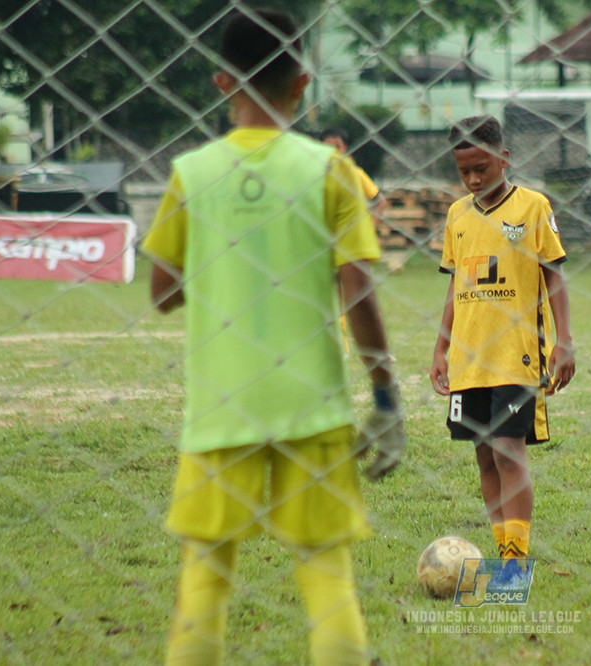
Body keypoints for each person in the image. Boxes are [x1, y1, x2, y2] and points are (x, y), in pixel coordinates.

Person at [142, 9, 404, 665]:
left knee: (204, 572)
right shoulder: (329, 170)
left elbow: (163, 292)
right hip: (309, 404)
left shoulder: (192, 173)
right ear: (303, 84)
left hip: (221, 404)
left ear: (221, 82)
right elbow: (360, 291)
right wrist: (386, 396)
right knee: (325, 571)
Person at [429, 115, 575, 582]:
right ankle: (501, 553)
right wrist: (440, 347)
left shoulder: (532, 208)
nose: (473, 179)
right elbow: (455, 288)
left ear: (504, 159)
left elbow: (554, 275)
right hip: (468, 358)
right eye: (464, 171)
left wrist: (564, 340)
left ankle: (515, 564)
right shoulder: (457, 215)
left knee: (509, 450)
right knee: (484, 454)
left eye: (482, 169)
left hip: (517, 355)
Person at [319, 127, 387, 219]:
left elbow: (380, 201)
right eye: (328, 147)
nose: (333, 152)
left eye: (337, 147)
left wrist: (371, 226)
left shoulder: (354, 173)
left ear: (345, 148)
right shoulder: (316, 174)